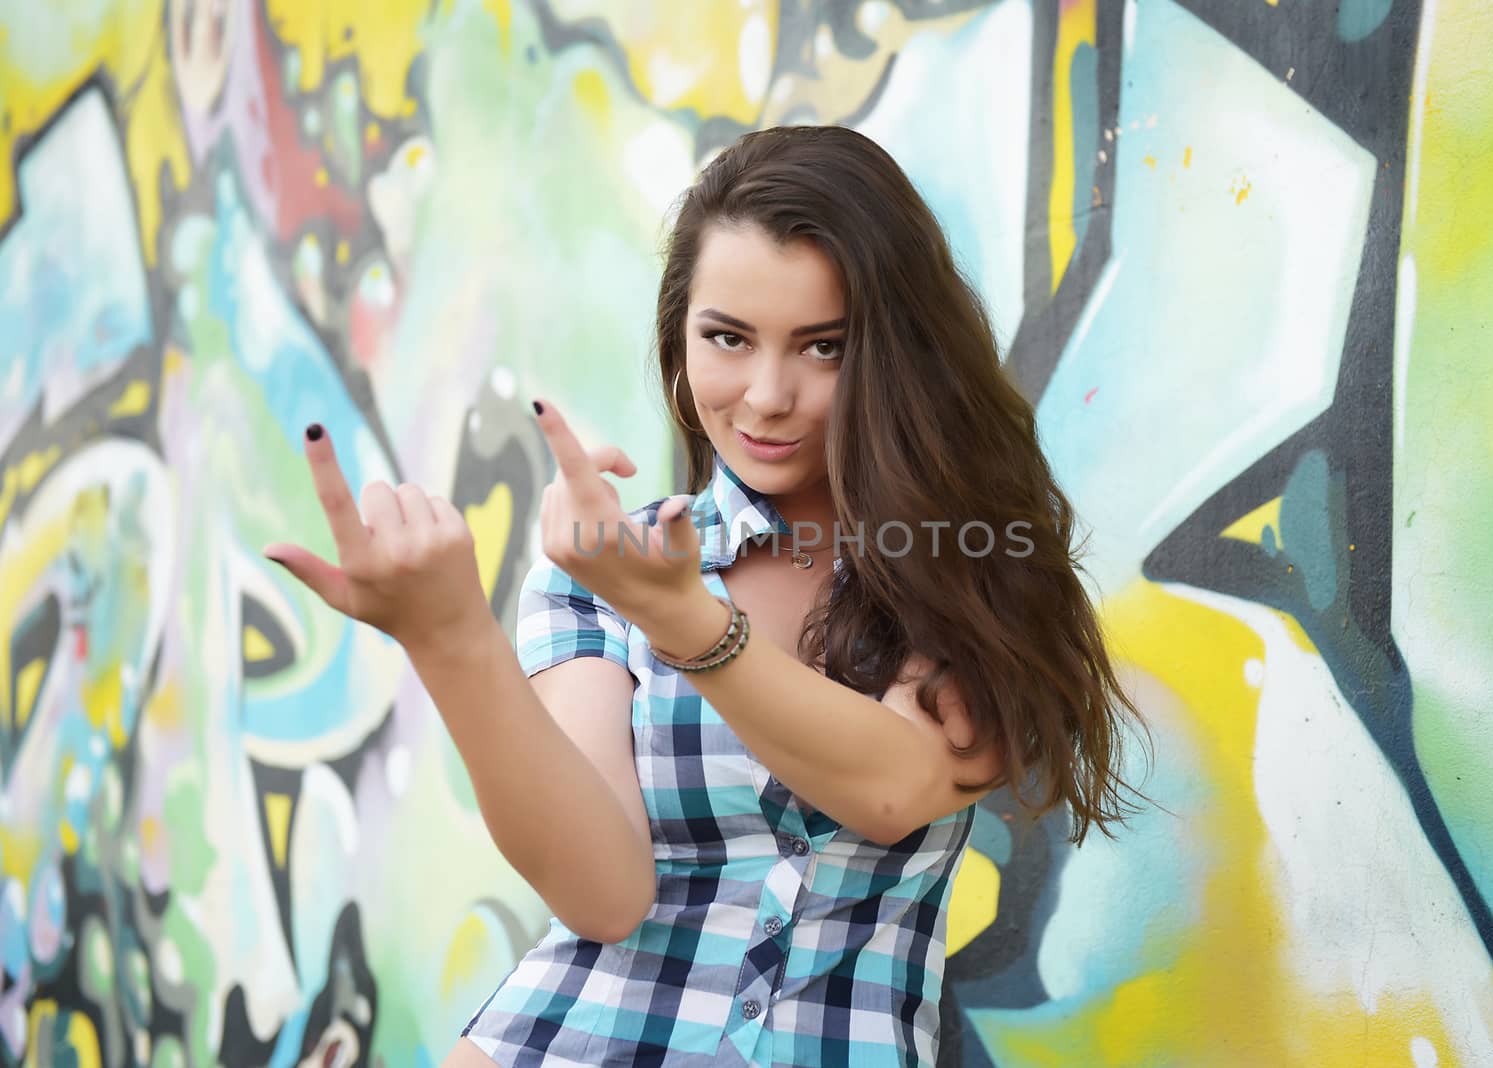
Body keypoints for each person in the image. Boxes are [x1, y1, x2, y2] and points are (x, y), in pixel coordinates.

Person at [265, 124, 1147, 1067]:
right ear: (680, 339)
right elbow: (602, 893)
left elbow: (896, 786)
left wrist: (682, 618)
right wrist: (449, 639)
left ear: (899, 355)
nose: (767, 396)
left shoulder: (970, 563)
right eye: (727, 338)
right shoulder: (602, 568)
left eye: (824, 348)